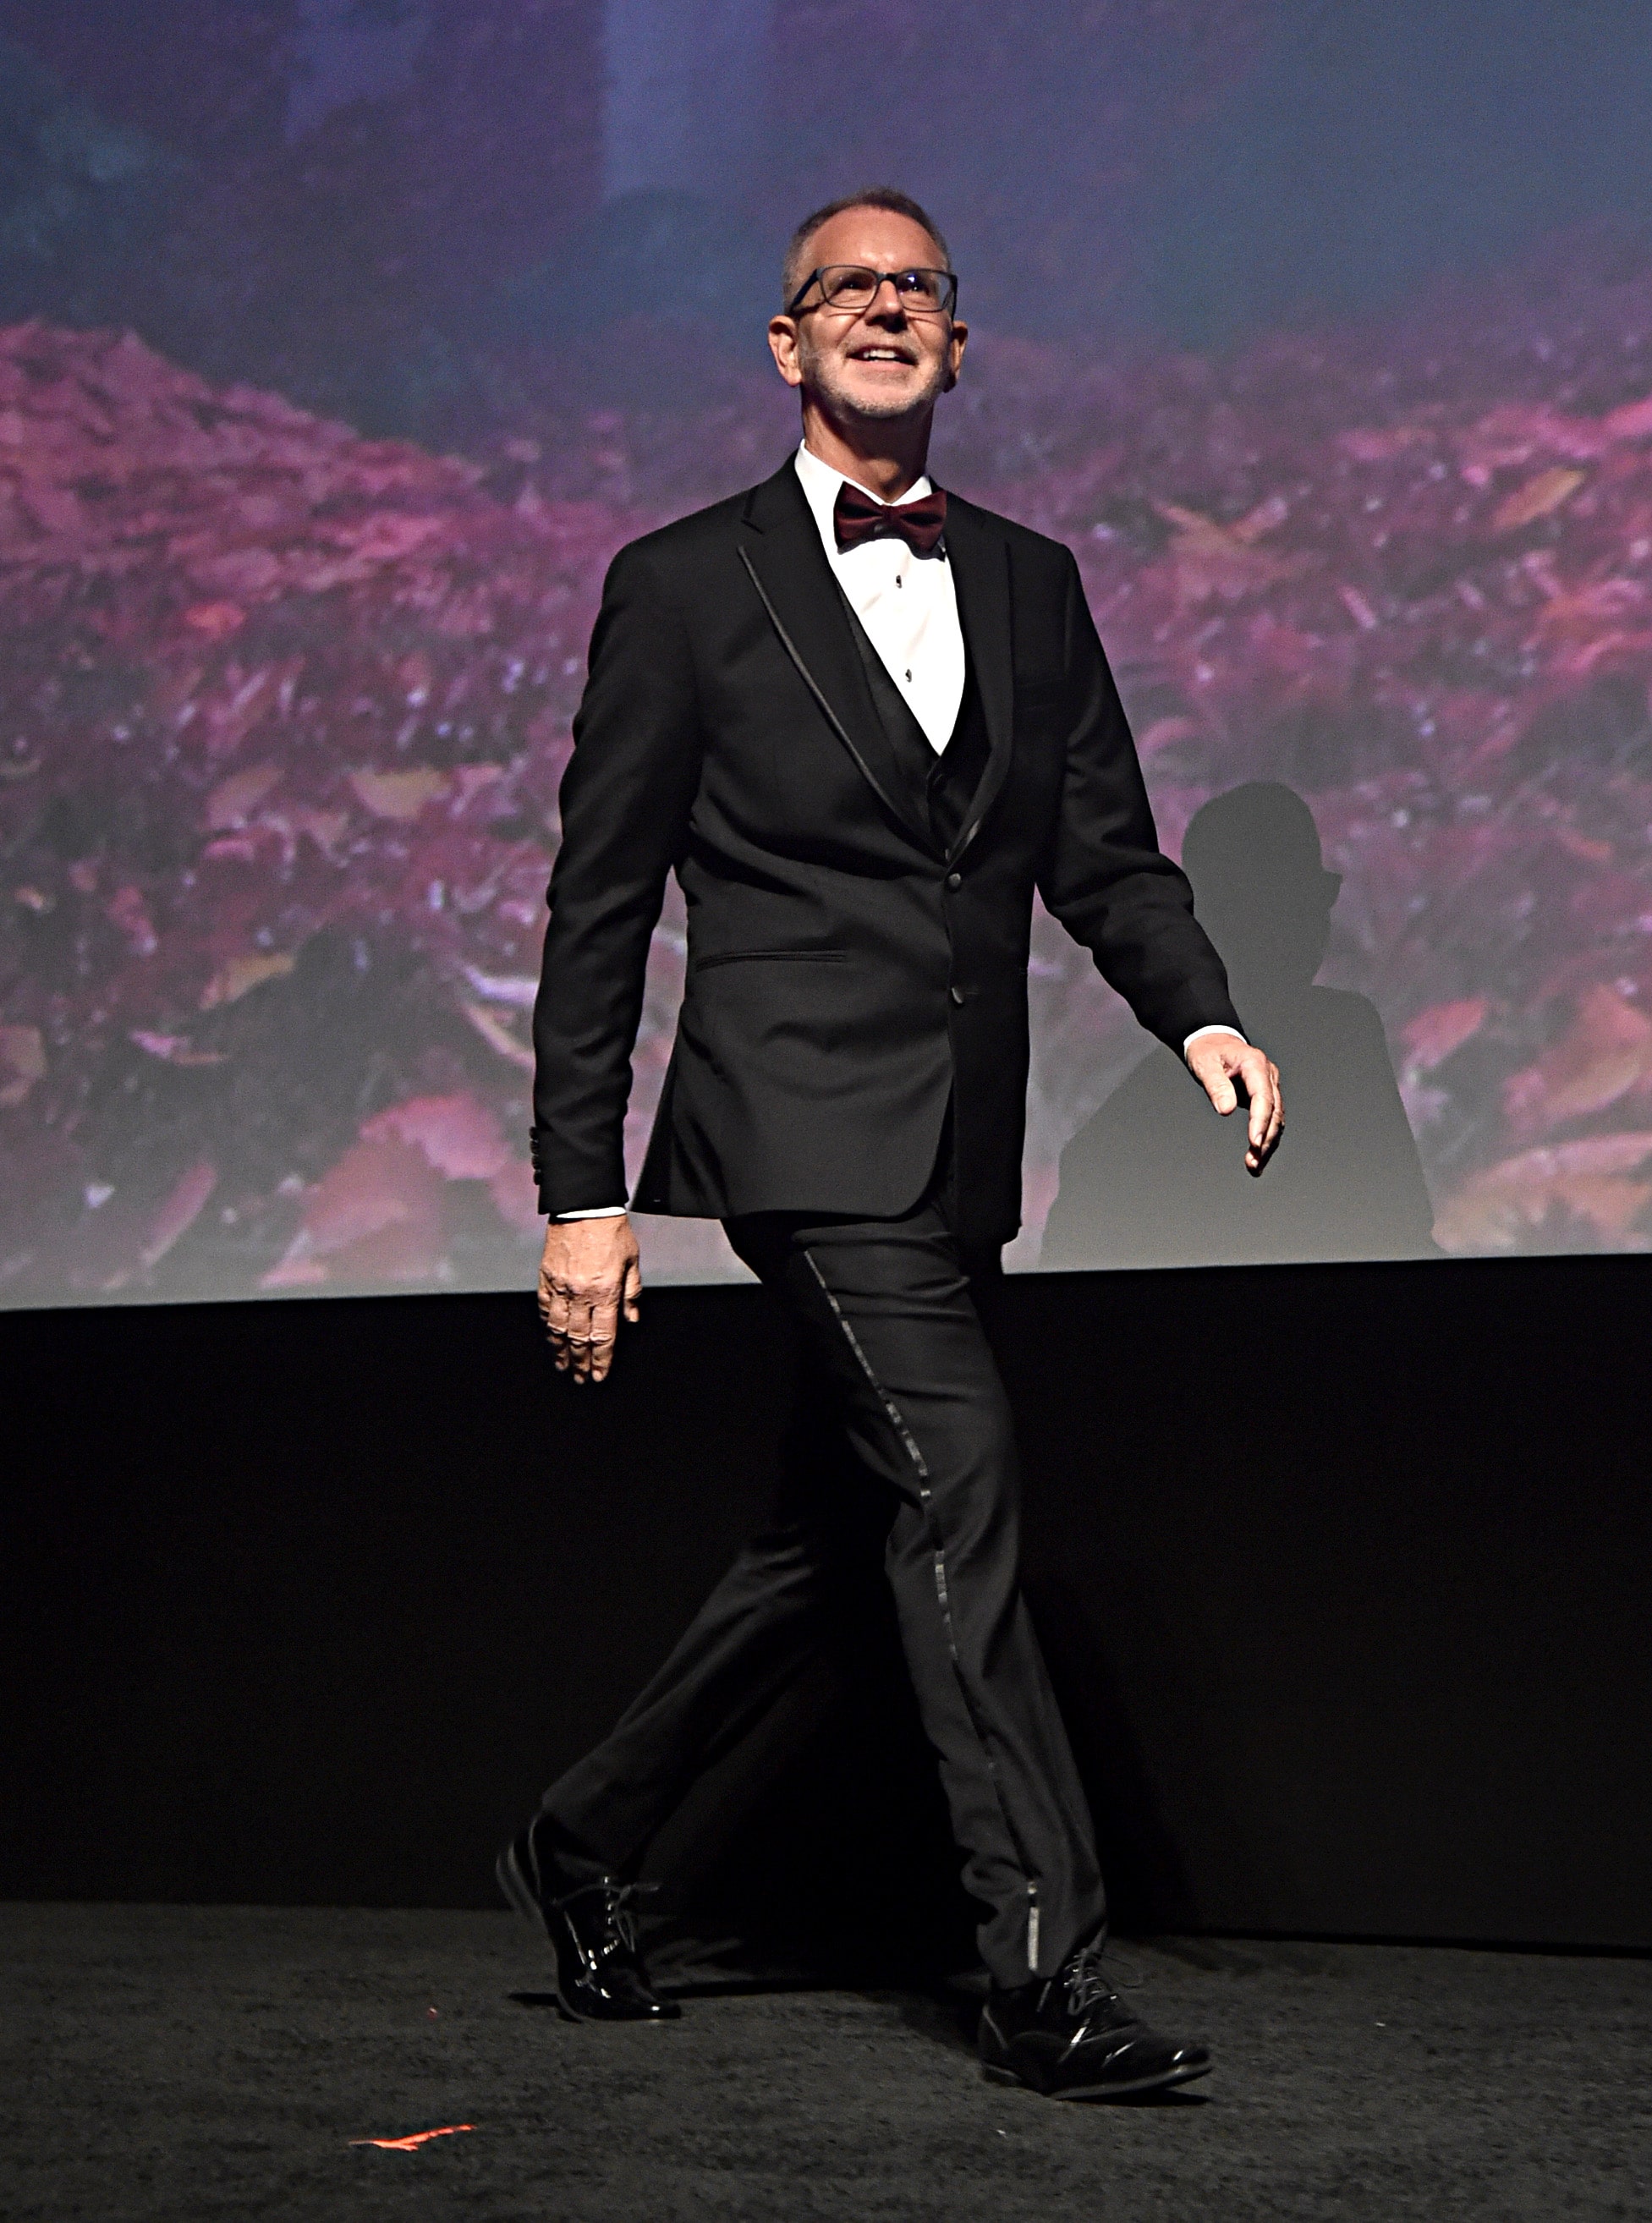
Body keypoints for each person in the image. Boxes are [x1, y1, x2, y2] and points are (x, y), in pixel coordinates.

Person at [501, 187, 1282, 2102]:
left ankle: (584, 1836)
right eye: (843, 288)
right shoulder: (683, 584)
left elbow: (1103, 850)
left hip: (956, 1141)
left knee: (831, 1540)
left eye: (915, 285)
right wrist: (579, 1189)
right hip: (795, 1123)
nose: (881, 306)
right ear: (786, 342)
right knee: (961, 1482)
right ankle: (1038, 1970)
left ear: (957, 339)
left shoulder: (1028, 578)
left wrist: (1197, 1009)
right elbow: (600, 905)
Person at [1043, 782, 1435, 1270]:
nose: (1316, 918)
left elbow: (1404, 1231)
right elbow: (1404, 1231)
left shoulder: (1110, 1134)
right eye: (1294, 899)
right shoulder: (1344, 1036)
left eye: (1316, 897)